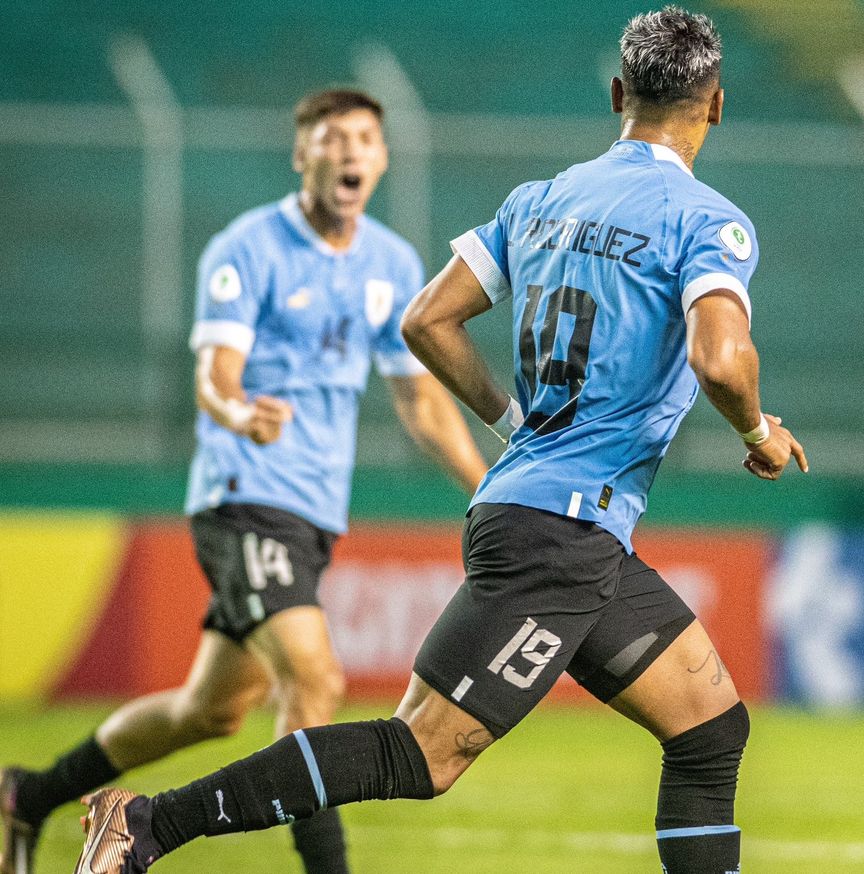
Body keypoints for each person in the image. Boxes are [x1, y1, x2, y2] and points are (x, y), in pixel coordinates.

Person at [67, 7, 808, 874]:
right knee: (421, 753)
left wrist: (509, 422)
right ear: (716, 105)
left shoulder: (543, 199)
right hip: (560, 536)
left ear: (618, 94)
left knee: (711, 725)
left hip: (566, 525)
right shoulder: (708, 220)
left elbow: (428, 319)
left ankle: (145, 821)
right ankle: (149, 823)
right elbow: (720, 361)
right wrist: (757, 433)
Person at [0, 87, 490, 874]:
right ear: (304, 155)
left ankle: (32, 794)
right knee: (315, 675)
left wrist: (484, 484)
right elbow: (214, 375)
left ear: (384, 158)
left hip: (314, 515)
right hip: (243, 497)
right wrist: (239, 412)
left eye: (366, 137)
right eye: (333, 138)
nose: (351, 151)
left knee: (210, 712)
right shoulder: (248, 247)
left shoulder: (393, 264)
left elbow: (420, 400)